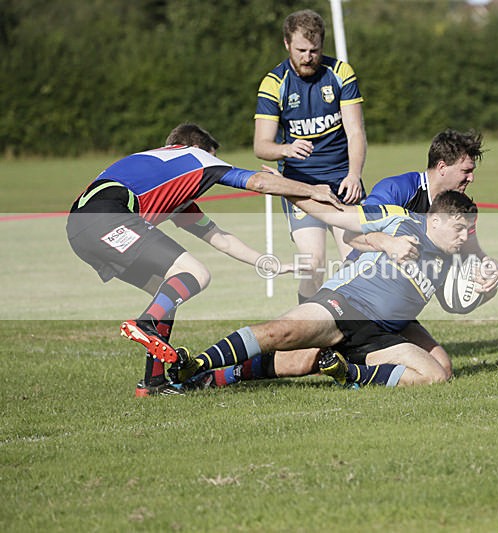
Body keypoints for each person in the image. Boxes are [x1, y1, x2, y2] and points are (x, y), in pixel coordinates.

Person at [188, 129, 498, 388]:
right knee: (296, 353)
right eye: (466, 170)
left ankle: (349, 369)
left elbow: (465, 270)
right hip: (359, 294)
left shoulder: (456, 218)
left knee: (440, 369)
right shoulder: (399, 192)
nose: (471, 178)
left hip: (397, 310)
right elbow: (352, 232)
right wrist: (387, 243)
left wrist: (486, 282)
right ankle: (203, 370)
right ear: (443, 166)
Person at [66, 123, 341, 396]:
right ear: (197, 148)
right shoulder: (195, 156)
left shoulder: (169, 183)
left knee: (167, 290)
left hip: (79, 231)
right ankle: (146, 323)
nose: (213, 170)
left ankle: (153, 382)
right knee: (197, 274)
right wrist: (313, 190)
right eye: (214, 157)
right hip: (108, 217)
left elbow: (219, 237)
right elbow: (257, 181)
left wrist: (272, 264)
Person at [253, 9, 367, 304]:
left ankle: (350, 338)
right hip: (300, 186)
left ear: (322, 46)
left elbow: (356, 132)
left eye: (314, 50)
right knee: (313, 264)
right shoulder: (274, 83)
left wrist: (354, 175)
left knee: (360, 263)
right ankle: (308, 333)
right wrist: (285, 149)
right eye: (301, 50)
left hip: (342, 183)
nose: (308, 57)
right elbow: (261, 145)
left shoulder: (340, 73)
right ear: (287, 44)